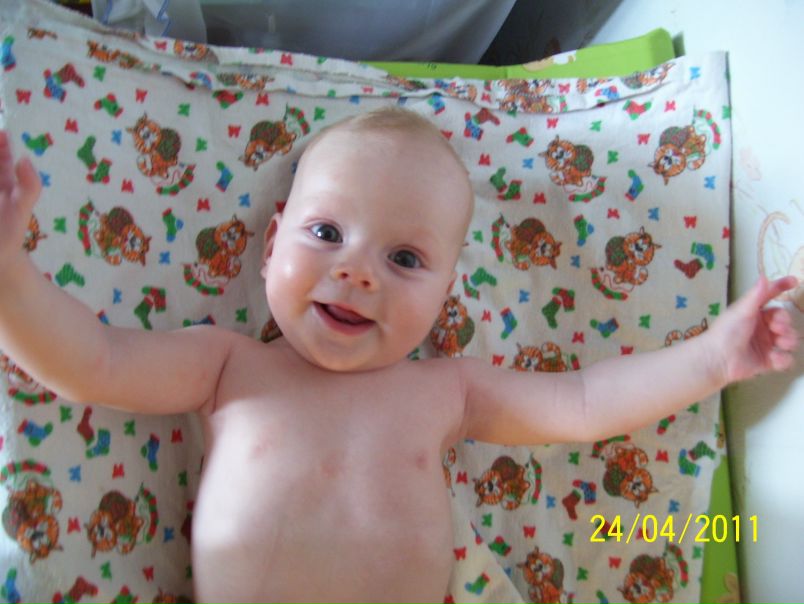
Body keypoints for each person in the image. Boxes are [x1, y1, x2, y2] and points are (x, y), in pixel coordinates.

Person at [0, 108, 798, 603]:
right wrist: (8, 274)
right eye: (326, 232)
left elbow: (584, 404)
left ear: (446, 298)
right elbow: (93, 361)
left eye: (405, 259)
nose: (357, 272)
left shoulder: (447, 390)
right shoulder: (228, 366)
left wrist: (712, 358)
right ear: (271, 246)